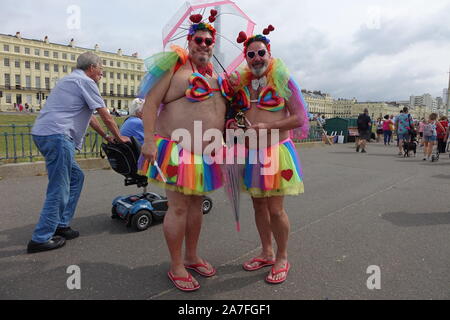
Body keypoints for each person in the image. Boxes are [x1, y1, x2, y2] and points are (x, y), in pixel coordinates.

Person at [139, 17, 232, 292]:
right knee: (178, 208)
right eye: (199, 40)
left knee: (196, 207)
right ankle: (176, 265)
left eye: (208, 41)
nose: (203, 45)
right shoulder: (175, 68)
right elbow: (150, 104)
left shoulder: (217, 75)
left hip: (206, 154)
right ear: (189, 42)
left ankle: (192, 256)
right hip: (177, 150)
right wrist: (147, 139)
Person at [28, 52, 130, 254]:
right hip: (58, 136)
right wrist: (119, 137)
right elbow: (106, 116)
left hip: (46, 133)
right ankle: (41, 238)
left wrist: (106, 137)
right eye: (101, 68)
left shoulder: (71, 80)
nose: (102, 72)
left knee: (76, 176)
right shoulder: (86, 82)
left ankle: (61, 224)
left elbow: (91, 118)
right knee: (59, 187)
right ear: (92, 67)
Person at [230, 29, 309, 285]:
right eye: (250, 54)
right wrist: (235, 124)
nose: (256, 58)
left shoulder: (284, 80)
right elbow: (239, 115)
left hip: (277, 153)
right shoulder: (243, 83)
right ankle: (266, 252)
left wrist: (268, 128)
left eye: (260, 53)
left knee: (276, 210)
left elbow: (300, 118)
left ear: (269, 53)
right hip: (253, 154)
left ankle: (282, 257)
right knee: (258, 206)